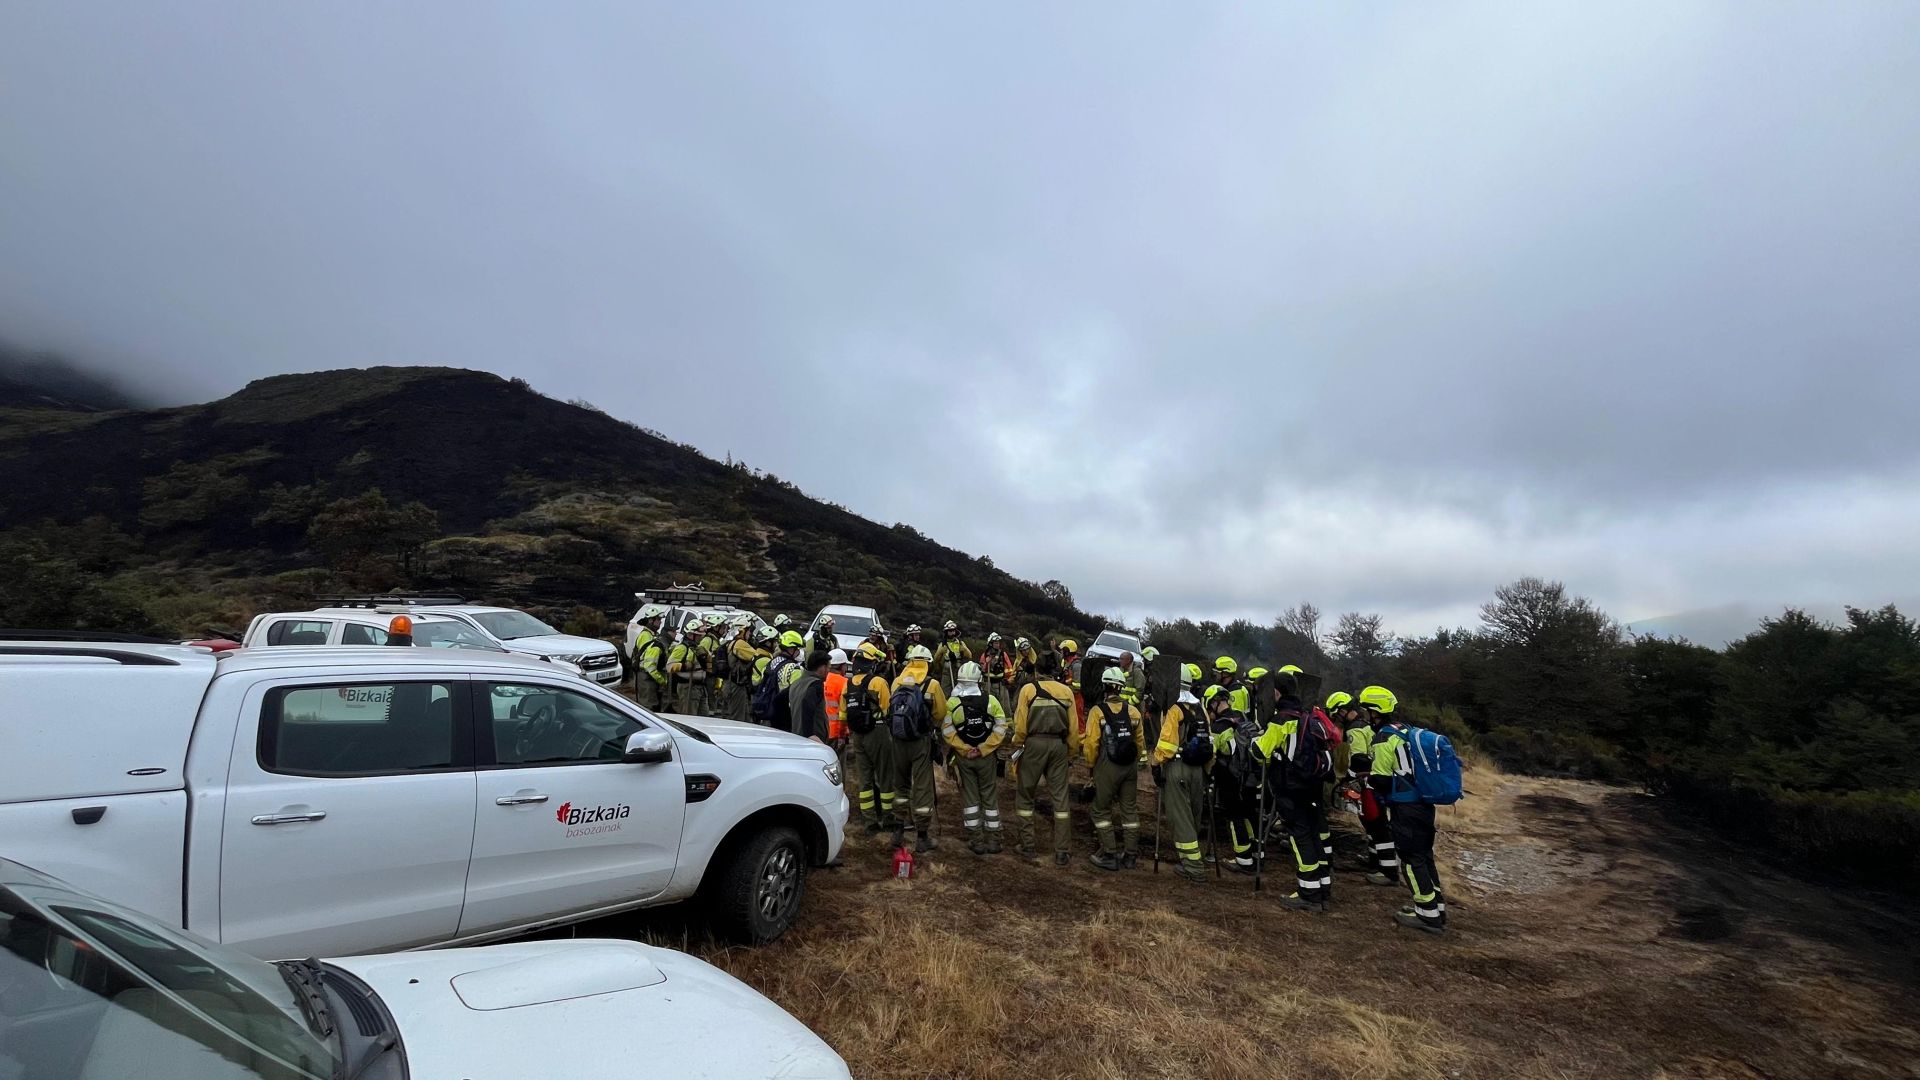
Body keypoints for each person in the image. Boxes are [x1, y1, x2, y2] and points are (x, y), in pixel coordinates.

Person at [1358, 685, 1448, 935]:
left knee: (1411, 859)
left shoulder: (1384, 738)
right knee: (1425, 855)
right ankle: (1436, 907)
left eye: (1366, 710)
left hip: (1405, 808)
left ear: (1374, 711)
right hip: (1423, 804)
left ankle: (1426, 915)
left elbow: (1383, 779)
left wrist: (1369, 779)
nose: (1365, 715)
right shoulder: (1407, 731)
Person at [1251, 673, 1333, 914]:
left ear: (1277, 692)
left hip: (1291, 789)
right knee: (1314, 835)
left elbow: (1261, 752)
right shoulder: (1309, 716)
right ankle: (1323, 889)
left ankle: (1308, 894)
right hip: (1312, 788)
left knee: (1301, 838)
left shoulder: (1281, 720)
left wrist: (1254, 741)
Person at [1010, 653, 1077, 865]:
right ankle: (1062, 851)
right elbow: (1074, 728)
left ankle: (1028, 846)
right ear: (1056, 670)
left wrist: (1019, 743)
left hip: (1034, 744)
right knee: (1060, 798)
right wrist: (1070, 753)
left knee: (1025, 795)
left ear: (1037, 671)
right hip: (1059, 745)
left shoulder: (1028, 690)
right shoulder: (1067, 692)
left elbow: (1020, 724)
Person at [1330, 691, 1398, 886]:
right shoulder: (1367, 725)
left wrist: (1347, 779)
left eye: (1336, 714)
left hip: (1369, 783)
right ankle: (1375, 861)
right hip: (1376, 780)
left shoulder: (1355, 729)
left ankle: (1388, 871)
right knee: (1372, 823)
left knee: (1376, 824)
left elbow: (1359, 759)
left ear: (1343, 711)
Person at [1152, 663, 1211, 883]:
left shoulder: (1174, 709)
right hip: (1199, 771)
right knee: (1193, 816)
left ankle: (1194, 867)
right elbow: (1209, 741)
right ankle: (1192, 859)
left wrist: (1156, 764)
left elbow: (1167, 745)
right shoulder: (1201, 709)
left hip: (1178, 767)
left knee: (1181, 818)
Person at [1083, 666, 1146, 871]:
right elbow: (1140, 743)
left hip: (1107, 766)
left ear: (1104, 686)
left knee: (1100, 810)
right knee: (1129, 811)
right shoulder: (1134, 711)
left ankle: (1109, 853)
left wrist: (1091, 768)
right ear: (1121, 688)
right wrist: (1133, 762)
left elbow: (1092, 744)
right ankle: (1130, 855)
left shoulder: (1097, 711)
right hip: (1129, 767)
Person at [943, 661, 1008, 855]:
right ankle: (994, 840)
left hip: (964, 758)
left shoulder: (952, 703)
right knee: (989, 794)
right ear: (979, 680)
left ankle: (976, 840)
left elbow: (947, 731)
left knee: (970, 797)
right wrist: (984, 748)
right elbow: (1001, 727)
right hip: (986, 757)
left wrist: (964, 749)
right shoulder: (991, 701)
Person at [889, 644, 950, 853]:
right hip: (920, 742)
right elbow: (941, 713)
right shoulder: (931, 685)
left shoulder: (897, 682)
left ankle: (897, 830)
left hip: (897, 740)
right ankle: (922, 836)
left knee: (900, 785)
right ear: (927, 663)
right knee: (922, 786)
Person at [1205, 685, 1259, 873]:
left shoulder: (1218, 726)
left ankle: (1243, 859)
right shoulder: (1243, 717)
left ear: (1213, 702)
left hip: (1229, 777)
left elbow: (1212, 753)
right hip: (1250, 777)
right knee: (1249, 814)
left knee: (1234, 817)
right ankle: (1256, 855)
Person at [845, 643, 895, 835]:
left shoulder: (848, 683)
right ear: (870, 664)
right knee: (884, 775)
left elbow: (843, 712)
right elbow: (887, 710)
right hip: (878, 732)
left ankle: (869, 821)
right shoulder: (878, 683)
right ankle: (888, 817)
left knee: (864, 778)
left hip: (857, 735)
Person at [724, 619, 768, 723]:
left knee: (744, 717)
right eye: (748, 631)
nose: (750, 634)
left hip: (734, 684)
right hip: (735, 686)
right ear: (741, 631)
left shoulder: (733, 642)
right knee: (737, 719)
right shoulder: (740, 643)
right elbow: (757, 656)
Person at [631, 604, 670, 711]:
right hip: (646, 677)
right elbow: (649, 664)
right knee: (648, 707)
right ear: (651, 621)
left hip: (648, 676)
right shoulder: (646, 636)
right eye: (658, 619)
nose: (660, 622)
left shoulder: (651, 634)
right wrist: (662, 680)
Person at [767, 630, 806, 732]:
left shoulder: (772, 662)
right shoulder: (793, 668)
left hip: (768, 708)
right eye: (797, 648)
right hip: (785, 714)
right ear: (791, 648)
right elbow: (796, 694)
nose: (798, 651)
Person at [666, 619, 708, 715]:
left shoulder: (697, 648)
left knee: (704, 718)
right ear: (690, 634)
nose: (701, 637)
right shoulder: (682, 648)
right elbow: (669, 667)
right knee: (690, 716)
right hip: (688, 687)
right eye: (698, 635)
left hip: (700, 687)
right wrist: (685, 666)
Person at [789, 650, 830, 743]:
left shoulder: (797, 683)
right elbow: (807, 703)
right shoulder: (815, 684)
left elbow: (777, 701)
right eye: (828, 667)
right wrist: (810, 734)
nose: (828, 671)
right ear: (822, 668)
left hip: (796, 736)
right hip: (813, 741)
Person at [978, 632, 1017, 716]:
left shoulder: (1003, 654)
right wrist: (986, 663)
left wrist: (1008, 681)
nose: (998, 645)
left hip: (1001, 684)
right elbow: (981, 670)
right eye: (996, 643)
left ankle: (1007, 723)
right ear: (990, 644)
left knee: (1004, 706)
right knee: (989, 703)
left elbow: (1010, 669)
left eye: (998, 643)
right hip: (988, 684)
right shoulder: (985, 655)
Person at [824, 648, 851, 745]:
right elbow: (845, 711)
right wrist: (842, 736)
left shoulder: (822, 678)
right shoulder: (845, 683)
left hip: (823, 730)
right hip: (837, 732)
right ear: (841, 666)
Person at [936, 620, 972, 687]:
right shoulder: (942, 645)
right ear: (946, 632)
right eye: (950, 631)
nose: (952, 632)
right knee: (945, 688)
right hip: (947, 668)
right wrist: (940, 652)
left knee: (959, 687)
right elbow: (936, 660)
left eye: (953, 630)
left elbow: (969, 656)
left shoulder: (960, 643)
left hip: (958, 668)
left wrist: (965, 649)